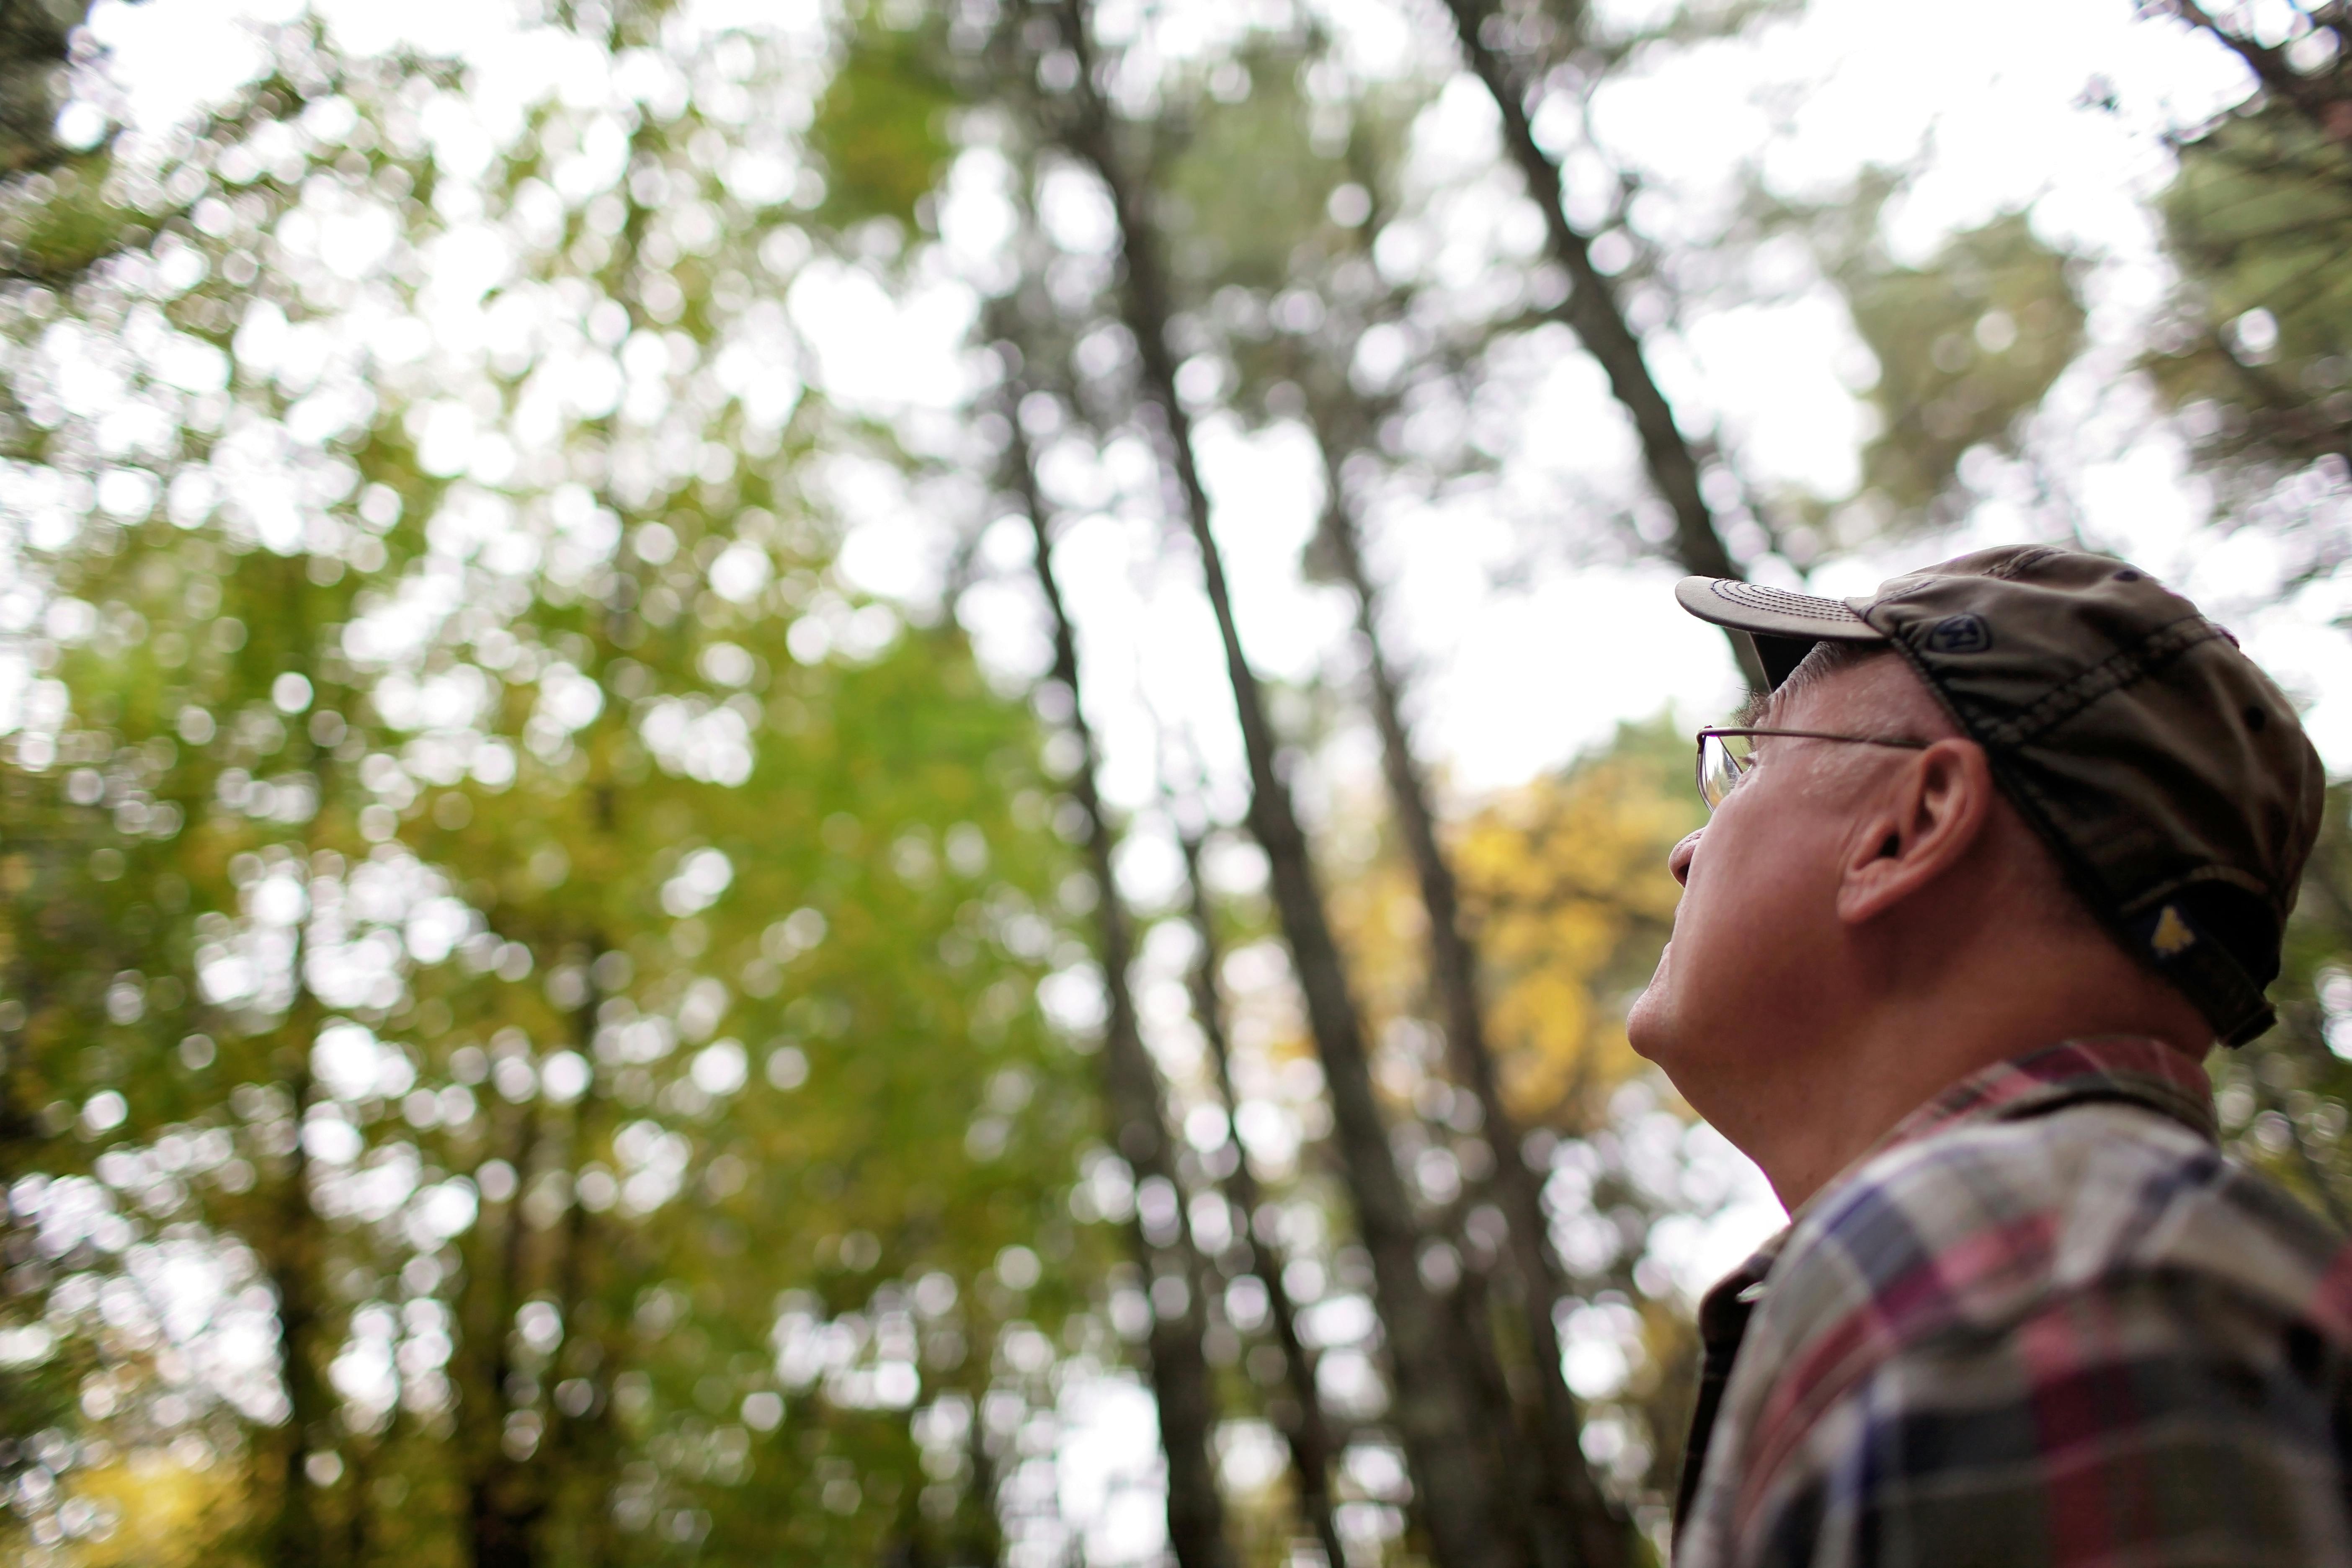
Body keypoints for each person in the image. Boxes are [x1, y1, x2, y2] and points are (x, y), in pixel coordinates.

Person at [1633, 545, 2347, 1567]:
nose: (1686, 850)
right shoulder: (2113, 1252)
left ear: (1908, 828)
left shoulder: (2017, 1273)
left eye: (1750, 762)